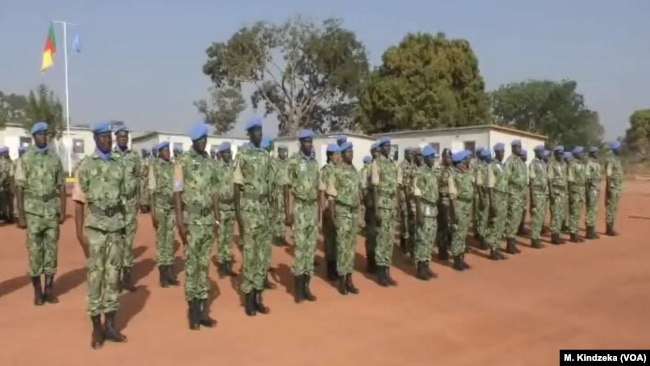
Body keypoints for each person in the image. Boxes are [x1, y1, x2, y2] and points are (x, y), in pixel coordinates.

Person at [73, 121, 128, 349]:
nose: (107, 140)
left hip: (115, 227)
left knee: (113, 278)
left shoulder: (119, 165)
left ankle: (111, 325)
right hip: (95, 228)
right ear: (95, 139)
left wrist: (123, 228)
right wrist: (79, 233)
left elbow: (123, 200)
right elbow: (78, 201)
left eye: (109, 137)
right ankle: (96, 328)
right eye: (103, 137)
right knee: (96, 278)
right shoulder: (86, 165)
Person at [173, 123, 219, 330]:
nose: (204, 143)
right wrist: (180, 222)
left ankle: (202, 310)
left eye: (205, 139)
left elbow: (215, 192)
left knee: (203, 266)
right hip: (191, 221)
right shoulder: (182, 162)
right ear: (194, 141)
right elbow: (177, 193)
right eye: (200, 140)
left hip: (208, 221)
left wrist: (217, 219)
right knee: (192, 267)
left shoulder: (210, 162)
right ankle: (192, 311)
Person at [15, 122, 66, 305]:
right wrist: (20, 215)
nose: (44, 136)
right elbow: (19, 187)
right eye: (40, 134)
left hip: (51, 211)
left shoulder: (54, 158)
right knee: (35, 252)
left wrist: (63, 211)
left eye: (45, 134)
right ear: (34, 137)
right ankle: (37, 290)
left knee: (51, 251)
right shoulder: (26, 158)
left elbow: (61, 185)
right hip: (33, 213)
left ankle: (49, 289)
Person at [233, 117, 273, 316]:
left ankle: (258, 296)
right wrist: (239, 218)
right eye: (257, 131)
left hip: (264, 211)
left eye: (261, 131)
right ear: (250, 134)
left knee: (262, 255)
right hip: (249, 210)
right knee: (249, 256)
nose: (260, 134)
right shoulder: (243, 155)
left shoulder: (266, 156)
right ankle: (248, 298)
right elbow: (236, 187)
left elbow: (271, 185)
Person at [282, 129, 322, 303]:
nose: (308, 144)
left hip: (312, 209)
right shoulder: (293, 162)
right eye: (305, 142)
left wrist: (320, 211)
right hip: (299, 208)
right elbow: (286, 187)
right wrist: (288, 212)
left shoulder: (314, 163)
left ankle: (306, 287)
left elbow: (318, 188)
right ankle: (297, 290)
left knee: (310, 249)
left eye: (310, 142)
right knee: (299, 249)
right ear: (300, 143)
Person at [326, 141, 361, 294]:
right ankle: (341, 281)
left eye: (352, 152)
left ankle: (349, 280)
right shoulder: (336, 171)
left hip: (353, 213)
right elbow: (332, 196)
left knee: (351, 247)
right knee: (342, 247)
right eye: (348, 152)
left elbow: (358, 194)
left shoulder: (355, 171)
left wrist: (359, 215)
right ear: (343, 154)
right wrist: (333, 218)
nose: (351, 154)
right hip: (342, 212)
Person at [112, 125, 142, 292]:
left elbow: (137, 179)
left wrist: (138, 200)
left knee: (129, 242)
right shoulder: (111, 156)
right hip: (116, 205)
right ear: (116, 138)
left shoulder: (134, 157)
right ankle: (115, 277)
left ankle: (127, 277)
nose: (123, 139)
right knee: (116, 241)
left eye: (125, 137)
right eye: (120, 137)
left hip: (130, 204)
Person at [148, 141, 179, 287]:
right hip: (160, 207)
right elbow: (152, 191)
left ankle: (170, 271)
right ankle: (163, 274)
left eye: (168, 150)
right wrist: (152, 213)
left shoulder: (174, 166)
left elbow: (178, 187)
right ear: (159, 152)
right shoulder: (154, 167)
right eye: (164, 151)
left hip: (172, 208)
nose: (167, 153)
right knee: (161, 239)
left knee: (170, 239)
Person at [370, 136, 400, 286]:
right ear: (381, 148)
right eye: (386, 146)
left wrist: (397, 204)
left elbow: (395, 186)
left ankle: (387, 271)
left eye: (390, 146)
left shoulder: (392, 164)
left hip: (391, 204)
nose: (388, 149)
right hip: (382, 203)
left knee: (389, 240)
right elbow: (375, 187)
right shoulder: (377, 163)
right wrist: (376, 208)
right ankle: (381, 274)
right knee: (382, 239)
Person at [412, 144, 439, 280]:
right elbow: (417, 194)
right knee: (422, 238)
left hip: (433, 208)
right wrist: (419, 213)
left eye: (434, 157)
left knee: (430, 239)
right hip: (423, 206)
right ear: (426, 158)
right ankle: (420, 268)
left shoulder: (432, 171)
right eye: (431, 158)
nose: (434, 160)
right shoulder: (420, 172)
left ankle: (427, 264)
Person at [214, 142, 237, 278]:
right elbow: (215, 191)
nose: (228, 154)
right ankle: (222, 265)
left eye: (229, 152)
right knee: (221, 237)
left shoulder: (232, 167)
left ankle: (227, 264)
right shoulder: (217, 168)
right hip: (221, 207)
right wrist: (216, 212)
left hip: (231, 207)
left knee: (228, 237)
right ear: (221, 154)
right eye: (226, 152)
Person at [448, 150, 473, 271]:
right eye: (463, 162)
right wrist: (455, 211)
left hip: (468, 205)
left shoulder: (467, 173)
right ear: (458, 163)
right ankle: (456, 259)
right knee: (457, 233)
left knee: (463, 233)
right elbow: (452, 195)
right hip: (459, 205)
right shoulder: (453, 175)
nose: (465, 164)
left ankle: (461, 257)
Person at [321, 144, 341, 281]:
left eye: (339, 154)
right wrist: (323, 208)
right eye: (335, 154)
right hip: (329, 207)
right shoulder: (325, 170)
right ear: (330, 155)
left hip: (338, 207)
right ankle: (330, 270)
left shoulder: (339, 169)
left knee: (337, 239)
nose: (338, 157)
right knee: (329, 240)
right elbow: (321, 190)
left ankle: (336, 268)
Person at [485, 143, 508, 260]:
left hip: (504, 197)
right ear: (496, 152)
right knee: (494, 223)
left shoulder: (503, 166)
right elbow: (490, 186)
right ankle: (493, 249)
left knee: (501, 223)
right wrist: (492, 202)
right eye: (500, 152)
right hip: (496, 196)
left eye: (503, 151)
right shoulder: (492, 166)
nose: (502, 154)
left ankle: (497, 247)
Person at [503, 140, 526, 254]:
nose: (520, 148)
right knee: (511, 219)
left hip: (520, 194)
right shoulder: (509, 161)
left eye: (520, 147)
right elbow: (506, 177)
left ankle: (513, 242)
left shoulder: (520, 162)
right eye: (517, 147)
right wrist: (517, 182)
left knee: (517, 219)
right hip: (512, 194)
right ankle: (509, 244)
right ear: (512, 148)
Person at [361, 144, 379, 273]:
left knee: (379, 234)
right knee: (371, 234)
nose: (378, 153)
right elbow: (363, 187)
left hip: (380, 204)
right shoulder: (368, 168)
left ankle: (378, 260)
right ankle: (371, 262)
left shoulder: (382, 165)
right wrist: (367, 202)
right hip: (371, 205)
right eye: (376, 151)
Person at [528, 145, 549, 249]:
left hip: (542, 194)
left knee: (540, 217)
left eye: (543, 152)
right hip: (536, 193)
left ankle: (538, 237)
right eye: (541, 152)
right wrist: (532, 198)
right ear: (536, 153)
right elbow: (531, 182)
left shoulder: (543, 164)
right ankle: (534, 239)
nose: (542, 154)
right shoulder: (533, 164)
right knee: (536, 217)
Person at [548, 146, 568, 245]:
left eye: (562, 153)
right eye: (559, 153)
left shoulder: (564, 164)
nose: (561, 155)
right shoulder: (552, 164)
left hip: (563, 193)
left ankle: (558, 233)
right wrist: (551, 193)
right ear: (555, 154)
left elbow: (565, 178)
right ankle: (554, 236)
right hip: (555, 192)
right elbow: (550, 180)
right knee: (555, 214)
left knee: (560, 214)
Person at [397, 148, 416, 257]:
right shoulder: (401, 166)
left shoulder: (414, 166)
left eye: (412, 154)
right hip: (404, 196)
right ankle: (403, 241)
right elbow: (399, 184)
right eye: (409, 154)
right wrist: (400, 200)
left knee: (412, 218)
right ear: (405, 155)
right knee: (404, 218)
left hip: (412, 197)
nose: (411, 156)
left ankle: (409, 241)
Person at [567, 146, 587, 243]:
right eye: (581, 153)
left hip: (581, 190)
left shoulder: (582, 164)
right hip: (575, 190)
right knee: (574, 213)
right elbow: (570, 180)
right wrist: (570, 193)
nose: (582, 154)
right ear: (576, 154)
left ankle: (576, 232)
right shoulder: (572, 164)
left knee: (578, 213)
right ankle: (573, 234)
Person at [436, 148, 453, 261]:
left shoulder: (451, 170)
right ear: (443, 157)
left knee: (450, 226)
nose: (450, 159)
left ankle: (448, 247)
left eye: (450, 157)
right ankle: (442, 250)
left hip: (451, 201)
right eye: (447, 157)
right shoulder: (439, 170)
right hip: (442, 201)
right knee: (443, 227)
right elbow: (435, 186)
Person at [272, 145, 289, 246]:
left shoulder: (288, 162)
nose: (284, 153)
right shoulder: (274, 162)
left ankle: (282, 235)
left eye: (285, 151)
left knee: (284, 213)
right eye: (282, 151)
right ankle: (276, 235)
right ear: (278, 152)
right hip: (277, 190)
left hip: (286, 190)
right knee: (277, 213)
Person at [605, 142, 623, 236]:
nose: (620, 149)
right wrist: (608, 187)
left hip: (617, 186)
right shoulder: (610, 160)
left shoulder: (617, 159)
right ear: (615, 149)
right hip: (612, 187)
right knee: (610, 207)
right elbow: (608, 174)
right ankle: (609, 228)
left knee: (614, 207)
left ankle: (611, 226)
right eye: (619, 148)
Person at [474, 148, 491, 250]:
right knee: (482, 218)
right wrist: (481, 198)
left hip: (487, 195)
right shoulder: (481, 167)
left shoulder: (488, 166)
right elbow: (479, 184)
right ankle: (482, 238)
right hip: (482, 195)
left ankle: (485, 237)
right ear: (486, 157)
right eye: (489, 156)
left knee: (486, 217)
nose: (491, 157)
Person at [584, 146, 602, 239]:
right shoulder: (589, 163)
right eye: (595, 152)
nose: (597, 154)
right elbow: (587, 177)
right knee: (591, 209)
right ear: (591, 153)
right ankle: (589, 231)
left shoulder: (597, 163)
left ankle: (592, 229)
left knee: (594, 209)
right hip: (591, 189)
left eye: (597, 152)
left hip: (596, 188)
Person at [518, 148, 529, 236]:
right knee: (517, 211)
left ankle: (521, 226)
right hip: (517, 192)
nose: (526, 157)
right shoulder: (517, 165)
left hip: (524, 191)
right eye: (525, 155)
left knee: (524, 210)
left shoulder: (524, 165)